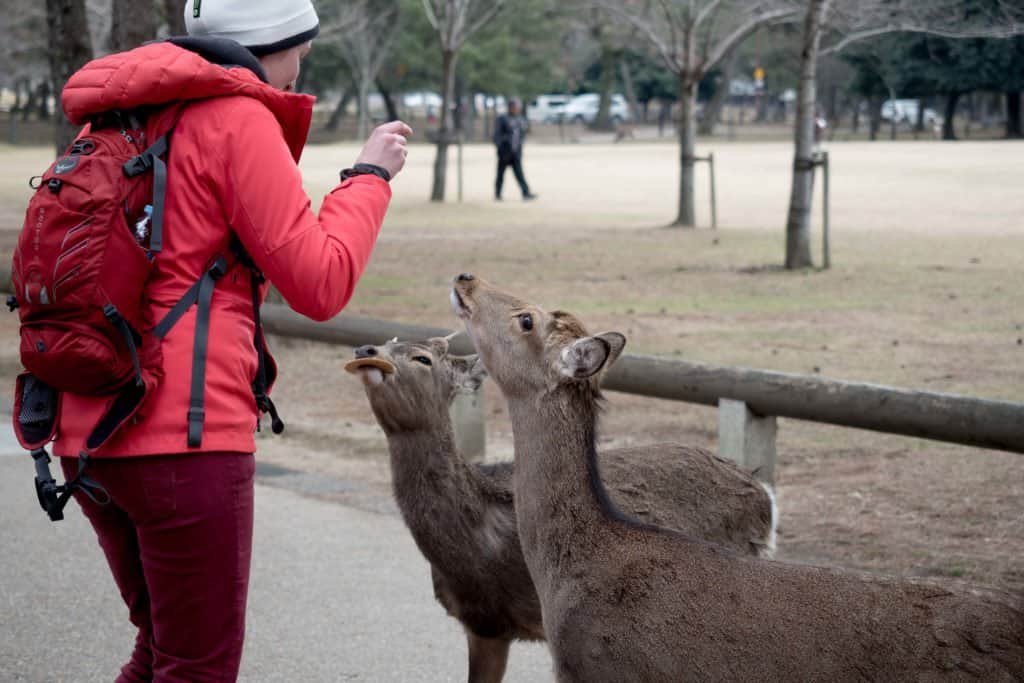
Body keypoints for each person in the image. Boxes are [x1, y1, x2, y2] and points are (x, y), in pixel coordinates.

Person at [49, 1, 411, 680]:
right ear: (277, 42)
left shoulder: (120, 115)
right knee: (198, 666)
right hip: (183, 437)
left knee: (160, 649)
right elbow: (321, 280)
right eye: (302, 48)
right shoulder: (235, 119)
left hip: (86, 427)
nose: (303, 65)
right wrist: (369, 178)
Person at [493, 97, 536, 201]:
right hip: (504, 152)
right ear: (511, 107)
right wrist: (501, 146)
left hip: (516, 152)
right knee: (500, 174)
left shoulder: (520, 119)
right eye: (516, 106)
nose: (518, 108)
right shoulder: (503, 118)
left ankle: (526, 193)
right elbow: (496, 135)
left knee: (519, 174)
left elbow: (523, 132)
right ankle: (498, 194)